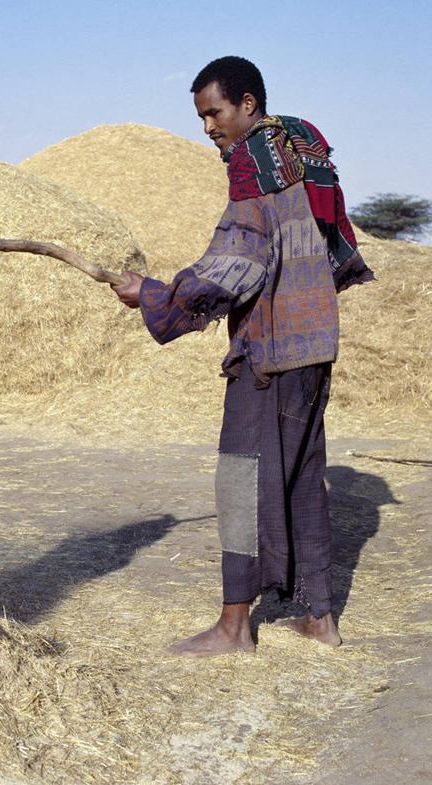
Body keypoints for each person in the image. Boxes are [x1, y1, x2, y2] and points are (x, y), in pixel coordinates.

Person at [112, 56, 373, 657]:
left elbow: (236, 268)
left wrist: (154, 295)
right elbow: (334, 248)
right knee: (304, 481)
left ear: (248, 105)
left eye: (215, 112)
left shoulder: (255, 173)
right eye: (202, 116)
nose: (208, 127)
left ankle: (234, 627)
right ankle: (319, 620)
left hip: (270, 354)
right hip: (313, 345)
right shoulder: (304, 158)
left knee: (241, 482)